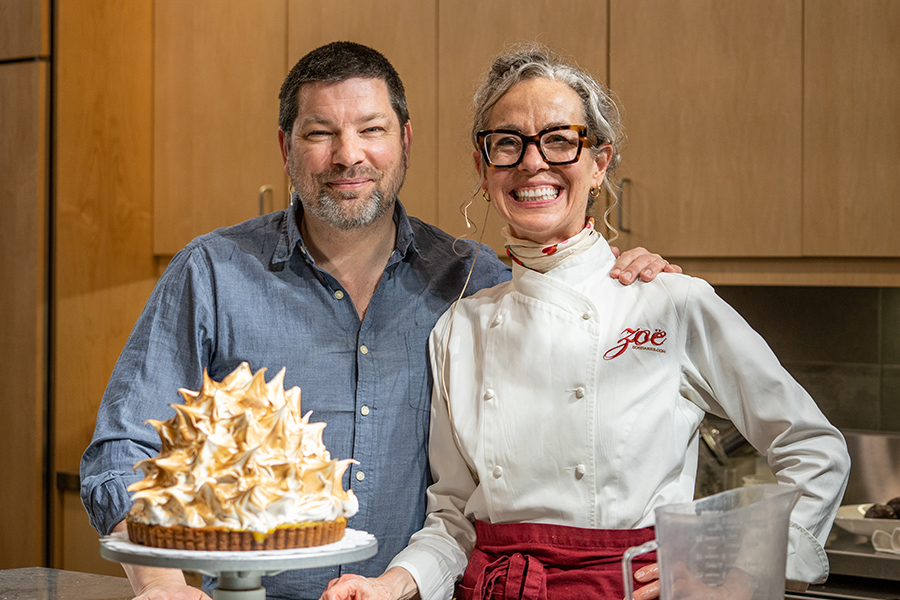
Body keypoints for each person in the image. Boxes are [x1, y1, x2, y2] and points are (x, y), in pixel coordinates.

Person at [79, 41, 678, 600]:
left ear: (405, 141)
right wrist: (159, 583)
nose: (348, 155)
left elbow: (571, 436)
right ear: (285, 148)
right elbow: (119, 449)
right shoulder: (212, 272)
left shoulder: (478, 282)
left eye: (371, 130)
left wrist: (619, 279)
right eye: (320, 133)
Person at [320, 44, 851, 600]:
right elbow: (454, 519)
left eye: (560, 140)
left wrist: (730, 563)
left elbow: (813, 448)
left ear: (599, 163)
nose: (532, 163)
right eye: (508, 144)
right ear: (483, 168)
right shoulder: (459, 329)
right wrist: (391, 586)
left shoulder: (669, 302)